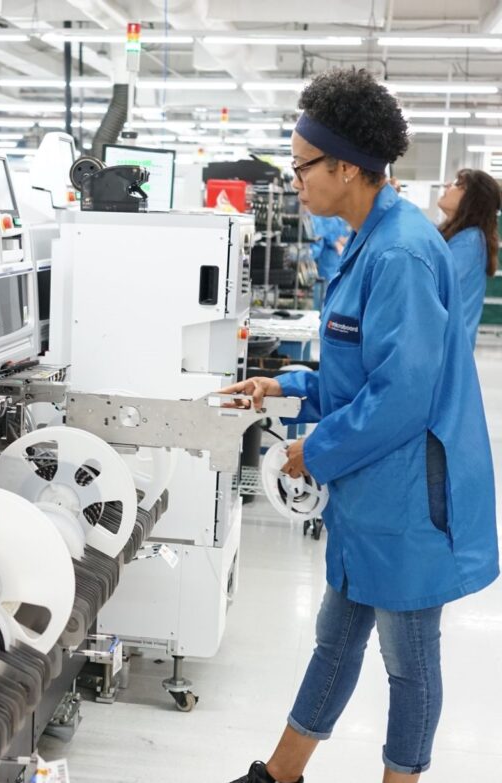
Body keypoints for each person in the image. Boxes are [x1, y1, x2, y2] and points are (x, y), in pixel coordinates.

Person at [222, 67, 498, 783]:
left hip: (407, 498)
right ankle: (279, 774)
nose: (296, 179)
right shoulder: (367, 241)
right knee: (335, 640)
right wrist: (281, 383)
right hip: (372, 491)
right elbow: (356, 373)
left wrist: (316, 449)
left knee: (409, 660)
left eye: (302, 165)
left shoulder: (401, 253)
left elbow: (401, 395)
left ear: (347, 167)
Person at [437, 169, 501, 349]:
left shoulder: (470, 241)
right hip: (446, 344)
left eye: (458, 185)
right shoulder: (454, 235)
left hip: (448, 348)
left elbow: (435, 285)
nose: (448, 186)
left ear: (473, 201)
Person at [308, 213, 351, 309]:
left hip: (336, 260)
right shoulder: (324, 216)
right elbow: (324, 233)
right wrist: (336, 242)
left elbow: (342, 234)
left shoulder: (338, 218)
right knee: (323, 291)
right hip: (328, 260)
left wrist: (343, 240)